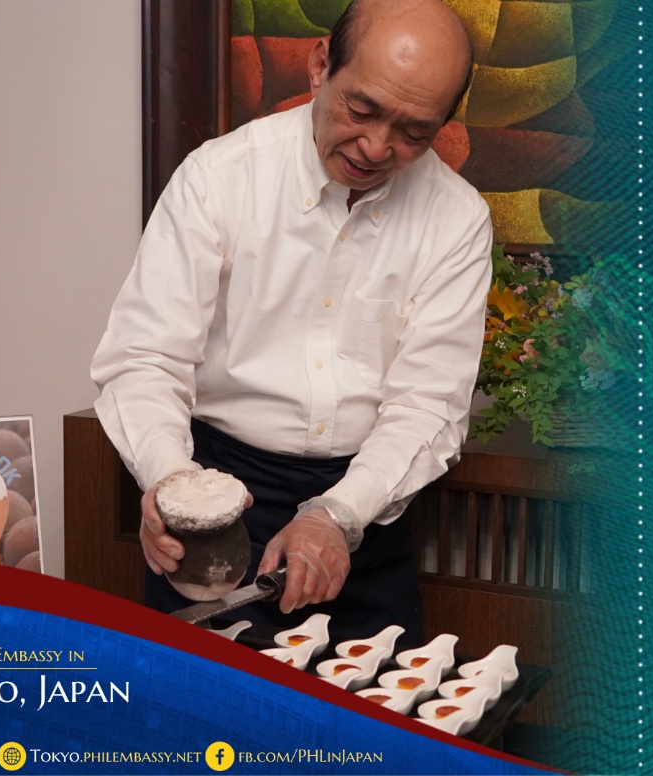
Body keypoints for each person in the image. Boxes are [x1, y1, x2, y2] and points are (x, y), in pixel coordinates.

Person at [90, 0, 488, 647]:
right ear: (320, 65)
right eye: (361, 109)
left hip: (365, 509)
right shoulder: (219, 178)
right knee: (202, 704)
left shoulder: (458, 218)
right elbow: (145, 358)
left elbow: (428, 404)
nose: (376, 146)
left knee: (371, 710)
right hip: (215, 499)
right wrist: (173, 485)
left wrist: (337, 515)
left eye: (414, 131)